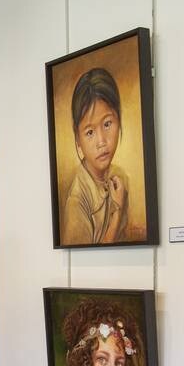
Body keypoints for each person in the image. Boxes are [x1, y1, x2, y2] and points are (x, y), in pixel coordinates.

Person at [61, 67, 131, 244]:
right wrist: (117, 211)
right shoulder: (77, 201)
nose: (102, 141)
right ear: (78, 138)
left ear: (119, 121)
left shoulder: (120, 178)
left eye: (107, 124)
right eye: (90, 132)